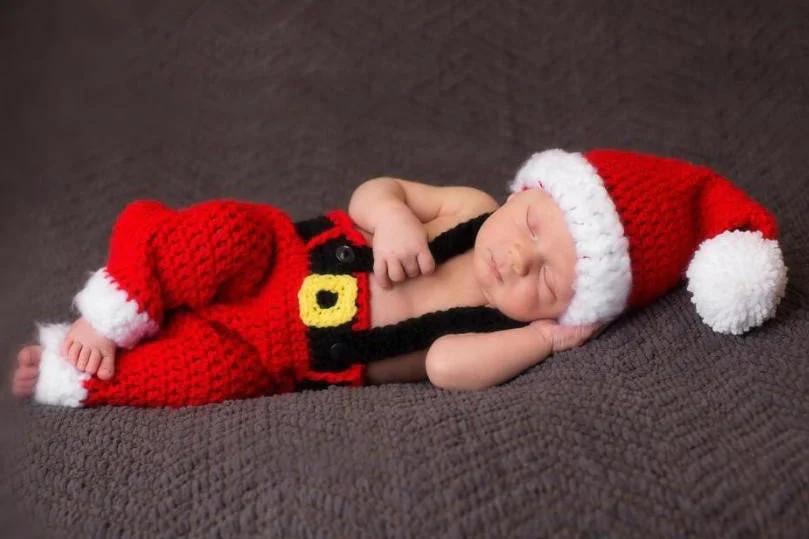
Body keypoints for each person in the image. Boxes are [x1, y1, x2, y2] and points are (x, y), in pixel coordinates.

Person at [10, 149, 788, 408]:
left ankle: (71, 376)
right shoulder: (470, 207)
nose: (516, 259)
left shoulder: (505, 330)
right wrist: (394, 222)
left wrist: (545, 342)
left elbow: (446, 368)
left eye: (546, 281)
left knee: (200, 373)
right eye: (530, 229)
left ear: (569, 309)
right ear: (525, 194)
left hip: (285, 362)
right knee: (219, 234)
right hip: (279, 258)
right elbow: (375, 191)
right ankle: (116, 303)